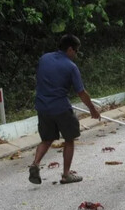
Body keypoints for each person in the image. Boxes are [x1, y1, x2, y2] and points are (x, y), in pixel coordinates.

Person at [28, 34, 100, 185]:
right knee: (69, 139)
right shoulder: (71, 67)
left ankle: (35, 164)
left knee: (47, 139)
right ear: (69, 49)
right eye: (76, 51)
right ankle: (66, 175)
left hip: (42, 106)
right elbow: (81, 92)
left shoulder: (44, 58)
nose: (76, 55)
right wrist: (92, 109)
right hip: (61, 108)